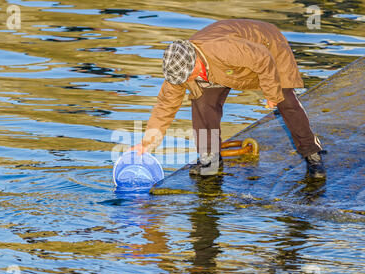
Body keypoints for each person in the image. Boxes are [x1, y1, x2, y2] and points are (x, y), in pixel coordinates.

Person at [129, 19, 326, 178]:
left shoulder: (225, 49)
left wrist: (271, 93)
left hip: (267, 47)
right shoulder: (178, 71)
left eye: (186, 76)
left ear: (195, 62)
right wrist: (147, 143)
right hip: (222, 69)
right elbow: (165, 106)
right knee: (202, 102)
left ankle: (312, 154)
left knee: (287, 101)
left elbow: (263, 58)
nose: (183, 81)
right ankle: (210, 159)